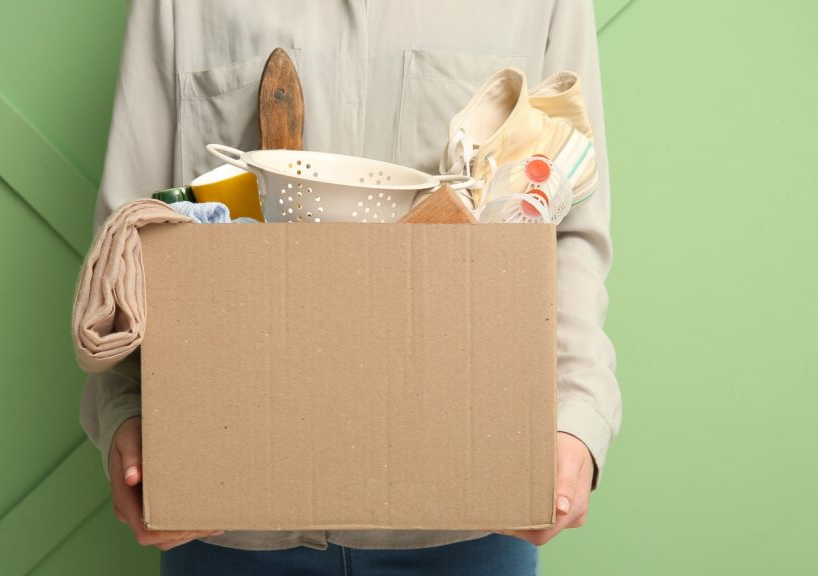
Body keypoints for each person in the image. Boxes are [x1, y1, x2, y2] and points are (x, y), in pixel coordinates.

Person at [79, 0, 621, 573]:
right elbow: (128, 236)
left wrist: (575, 424)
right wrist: (127, 416)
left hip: (469, 523)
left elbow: (570, 229)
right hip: (228, 522)